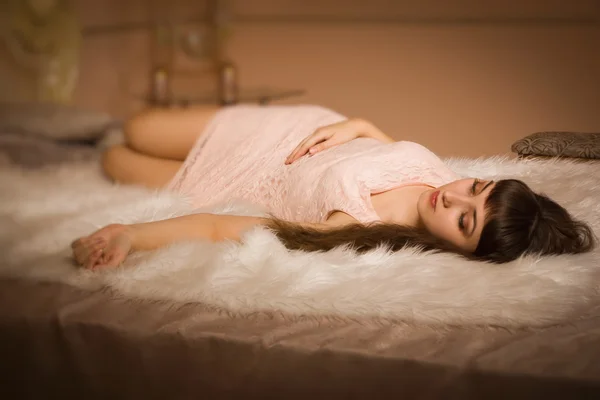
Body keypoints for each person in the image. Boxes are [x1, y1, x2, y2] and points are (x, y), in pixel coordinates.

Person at [71, 104, 595, 270]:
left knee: (115, 156)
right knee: (138, 126)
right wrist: (360, 127)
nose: (452, 196)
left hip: (243, 175)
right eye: (475, 186)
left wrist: (132, 235)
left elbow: (220, 227)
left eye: (464, 220)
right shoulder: (438, 174)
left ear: (456, 247)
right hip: (287, 131)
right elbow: (398, 150)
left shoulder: (357, 230)